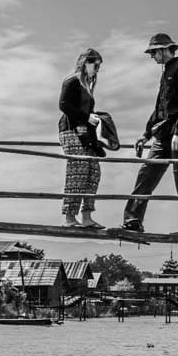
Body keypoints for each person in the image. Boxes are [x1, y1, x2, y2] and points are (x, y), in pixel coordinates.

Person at [122, 33, 178, 235]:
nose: (152, 56)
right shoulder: (165, 73)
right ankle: (132, 220)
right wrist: (146, 134)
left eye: (154, 52)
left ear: (165, 49)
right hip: (163, 133)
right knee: (147, 173)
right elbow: (160, 107)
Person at [59, 48, 105, 229]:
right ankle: (70, 217)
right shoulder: (72, 81)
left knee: (93, 173)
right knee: (77, 171)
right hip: (71, 130)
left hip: (85, 133)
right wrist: (87, 117)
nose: (97, 69)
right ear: (85, 63)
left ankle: (87, 216)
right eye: (95, 65)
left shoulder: (87, 86)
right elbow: (63, 105)